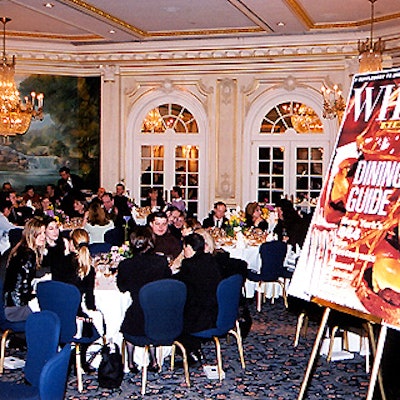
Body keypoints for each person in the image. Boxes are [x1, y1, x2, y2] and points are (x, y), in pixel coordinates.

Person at [117, 226, 172, 373]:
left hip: (137, 318)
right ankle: (153, 360)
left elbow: (122, 287)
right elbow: (168, 282)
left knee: (129, 321)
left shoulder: (126, 265)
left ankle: (130, 362)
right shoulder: (161, 262)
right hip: (159, 317)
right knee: (150, 312)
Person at [174, 233, 222, 364]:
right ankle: (194, 349)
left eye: (184, 248)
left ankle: (189, 351)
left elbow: (178, 283)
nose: (183, 251)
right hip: (215, 310)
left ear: (189, 247)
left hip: (201, 317)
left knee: (175, 313)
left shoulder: (189, 264)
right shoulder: (210, 260)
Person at [3, 217, 46, 322]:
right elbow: (24, 286)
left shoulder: (18, 250)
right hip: (17, 308)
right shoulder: (28, 254)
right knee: (48, 316)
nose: (43, 237)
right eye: (39, 234)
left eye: (44, 233)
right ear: (31, 235)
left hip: (9, 304)